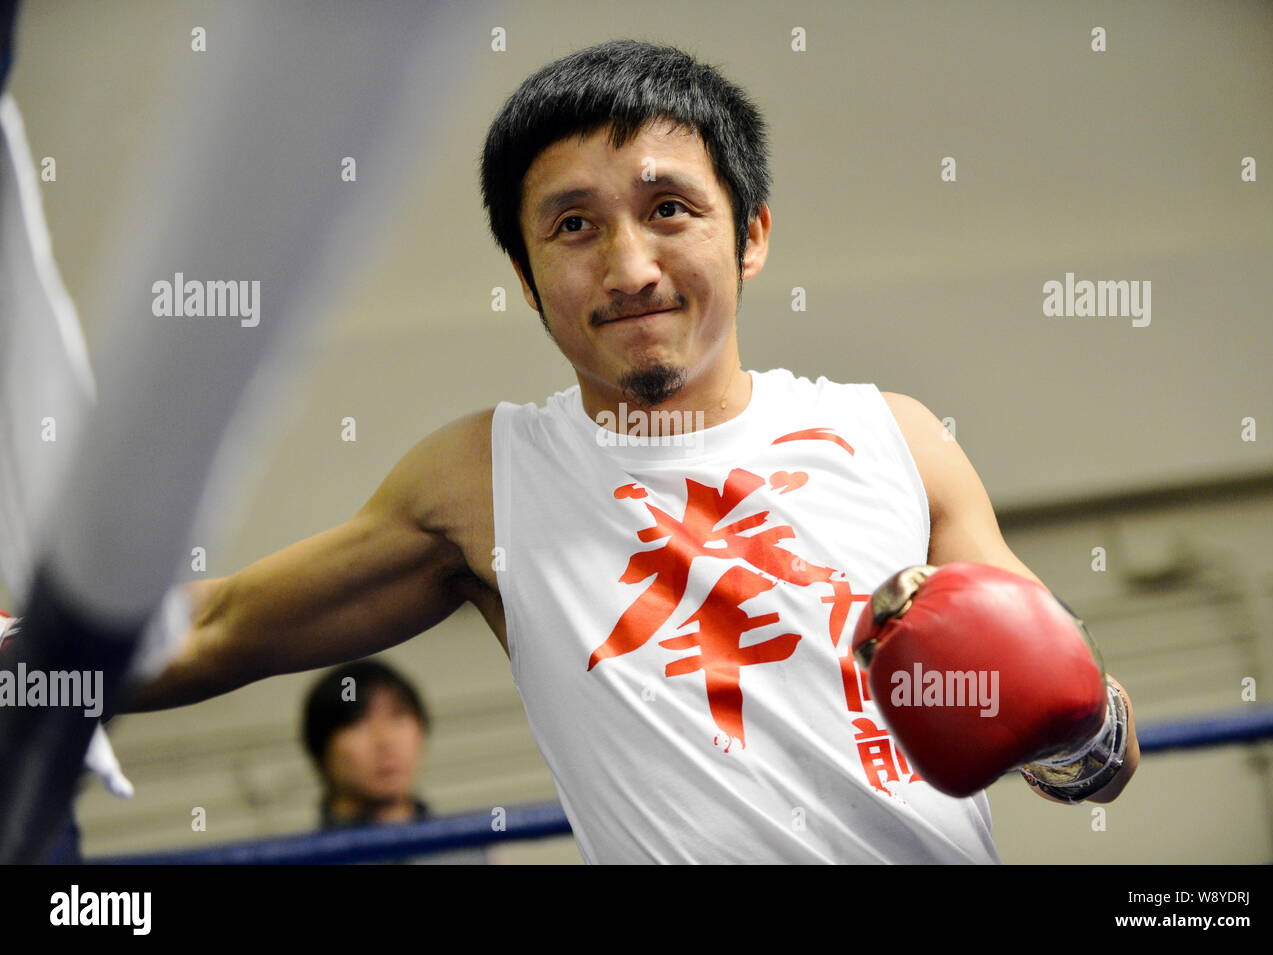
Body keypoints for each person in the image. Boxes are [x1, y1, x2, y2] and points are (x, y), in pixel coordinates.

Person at [124, 39, 1139, 863]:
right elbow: (218, 626)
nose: (629, 266)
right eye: (573, 226)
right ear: (524, 278)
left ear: (749, 234)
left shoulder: (897, 438)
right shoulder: (483, 479)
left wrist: (1075, 728)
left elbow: (1094, 748)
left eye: (668, 208)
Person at [302, 660, 491, 864]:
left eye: (398, 716)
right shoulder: (296, 857)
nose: (384, 740)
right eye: (357, 721)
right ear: (320, 751)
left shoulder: (468, 848)